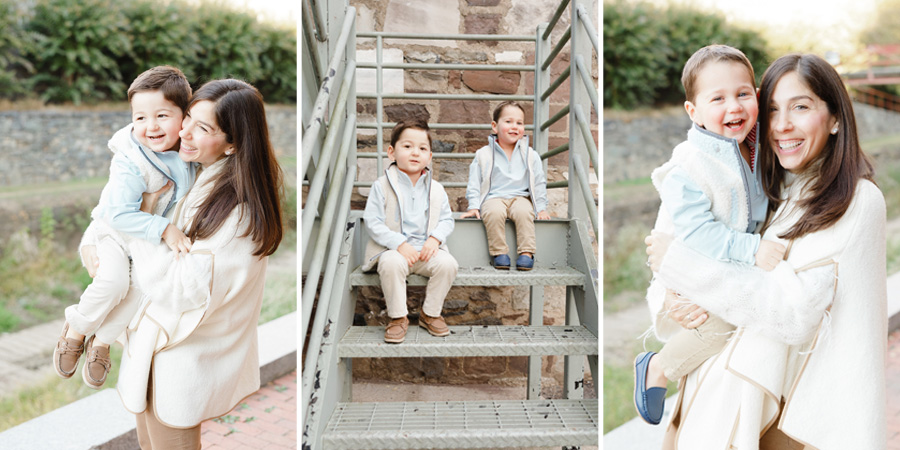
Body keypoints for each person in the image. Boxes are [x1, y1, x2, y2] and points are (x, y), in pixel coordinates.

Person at [646, 53, 885, 450]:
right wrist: (674, 296)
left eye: (801, 107)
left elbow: (790, 312)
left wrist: (683, 267)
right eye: (772, 109)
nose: (782, 125)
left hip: (782, 416)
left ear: (836, 117)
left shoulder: (857, 201)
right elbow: (666, 244)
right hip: (714, 400)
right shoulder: (770, 186)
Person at [85, 79, 283, 449]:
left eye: (203, 128)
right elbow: (114, 213)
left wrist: (139, 227)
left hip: (179, 358)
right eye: (188, 118)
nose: (185, 133)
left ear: (234, 143)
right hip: (157, 349)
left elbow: (184, 289)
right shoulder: (196, 175)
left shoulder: (236, 210)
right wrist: (98, 243)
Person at [633, 45, 787, 425]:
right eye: (717, 98)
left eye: (743, 94)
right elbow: (699, 233)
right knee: (719, 326)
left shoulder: (757, 150)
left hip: (728, 268)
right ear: (693, 111)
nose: (733, 107)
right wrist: (754, 249)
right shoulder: (689, 166)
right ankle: (658, 368)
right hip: (686, 271)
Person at [53, 66, 196, 389]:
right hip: (116, 235)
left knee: (141, 291)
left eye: (162, 116)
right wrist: (164, 229)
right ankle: (76, 329)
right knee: (114, 282)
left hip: (146, 243)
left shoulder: (187, 154)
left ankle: (102, 343)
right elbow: (117, 215)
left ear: (184, 117)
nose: (151, 126)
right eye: (140, 118)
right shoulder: (131, 159)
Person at [362, 118, 458, 344]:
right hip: (395, 251)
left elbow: (447, 219)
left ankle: (430, 313)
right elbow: (373, 221)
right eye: (407, 146)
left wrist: (435, 239)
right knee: (390, 264)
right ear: (392, 152)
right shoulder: (381, 185)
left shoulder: (437, 189)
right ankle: (398, 317)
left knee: (448, 264)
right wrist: (398, 243)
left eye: (422, 148)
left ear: (430, 156)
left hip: (426, 252)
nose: (415, 153)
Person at [461, 101, 550, 270]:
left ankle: (526, 253)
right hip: (493, 197)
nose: (514, 126)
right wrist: (473, 206)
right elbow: (474, 182)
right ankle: (499, 252)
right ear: (495, 126)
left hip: (520, 197)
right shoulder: (483, 154)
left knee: (524, 212)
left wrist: (541, 208)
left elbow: (538, 182)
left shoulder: (530, 155)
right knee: (494, 212)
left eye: (519, 123)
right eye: (508, 122)